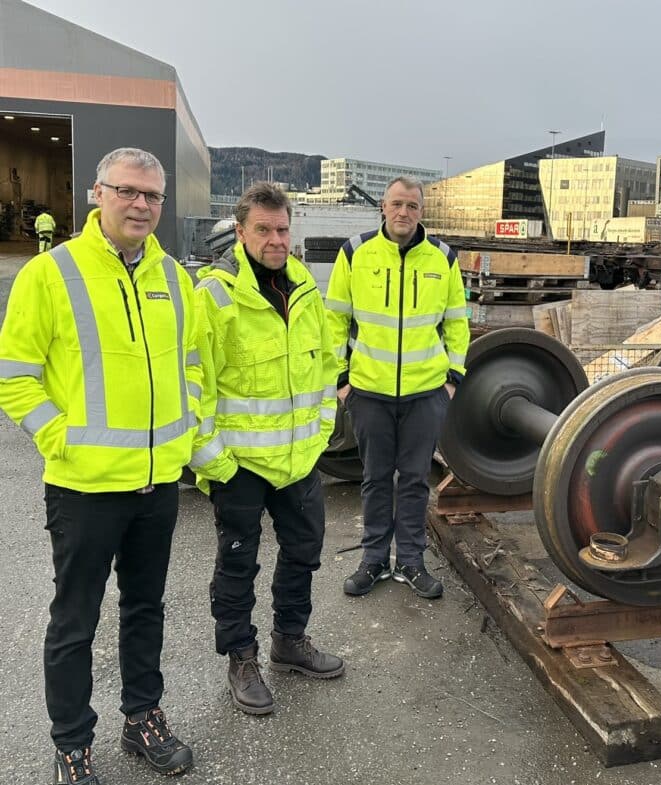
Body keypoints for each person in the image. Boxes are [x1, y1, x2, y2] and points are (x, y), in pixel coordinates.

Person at [0, 148, 197, 783]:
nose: (141, 205)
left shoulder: (174, 276)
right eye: (128, 192)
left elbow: (191, 364)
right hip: (84, 487)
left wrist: (186, 425)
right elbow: (15, 378)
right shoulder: (50, 274)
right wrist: (61, 439)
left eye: (153, 196)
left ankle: (142, 718)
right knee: (75, 618)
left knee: (146, 608)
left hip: (156, 482)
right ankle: (71, 743)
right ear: (97, 193)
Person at [189, 182, 343, 716]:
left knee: (304, 553)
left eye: (282, 229)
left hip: (300, 460)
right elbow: (194, 387)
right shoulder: (215, 295)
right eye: (264, 230)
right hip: (241, 467)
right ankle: (241, 656)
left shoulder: (303, 288)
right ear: (240, 232)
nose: (276, 240)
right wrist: (215, 463)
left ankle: (289, 641)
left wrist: (322, 431)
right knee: (238, 564)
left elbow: (326, 369)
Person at [326, 176, 469, 600]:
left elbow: (457, 322)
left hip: (426, 395)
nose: (403, 212)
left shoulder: (442, 258)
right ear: (383, 209)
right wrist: (342, 380)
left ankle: (411, 561)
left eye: (412, 205)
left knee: (412, 481)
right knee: (373, 479)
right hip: (368, 392)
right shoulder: (355, 253)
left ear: (421, 211)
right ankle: (373, 560)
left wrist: (452, 381)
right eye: (396, 204)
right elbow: (334, 318)